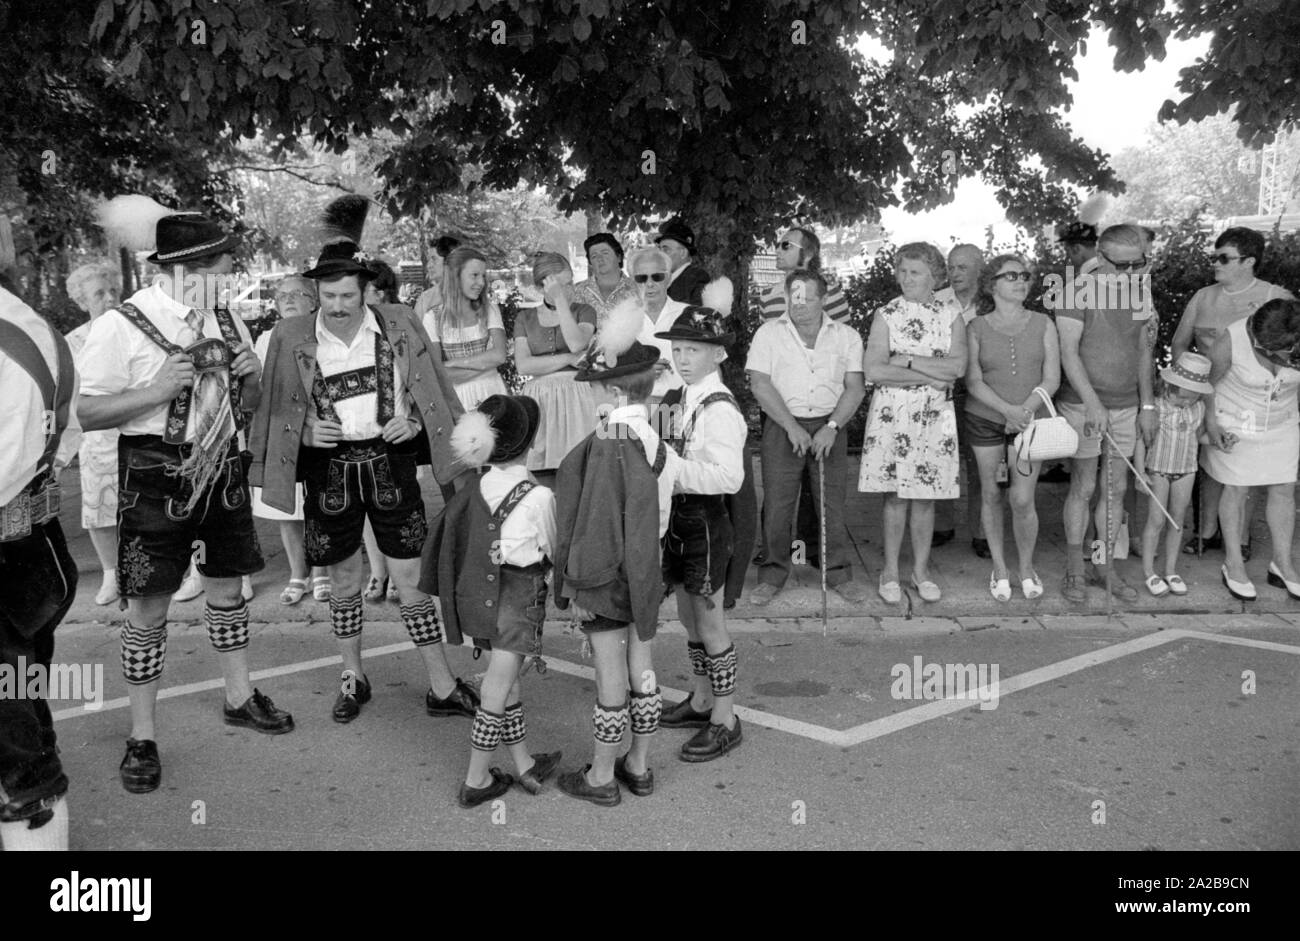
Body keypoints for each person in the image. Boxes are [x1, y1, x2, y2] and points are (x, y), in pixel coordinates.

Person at [77, 204, 295, 794]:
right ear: (190, 268)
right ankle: (142, 736)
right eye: (224, 265)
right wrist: (154, 390)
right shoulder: (121, 324)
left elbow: (245, 407)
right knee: (147, 607)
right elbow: (88, 410)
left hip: (222, 463)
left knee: (227, 589)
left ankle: (238, 695)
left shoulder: (226, 319)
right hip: (153, 472)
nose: (230, 274)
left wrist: (249, 377)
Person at [250, 239, 480, 723]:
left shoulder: (398, 321)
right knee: (343, 577)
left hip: (390, 462)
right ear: (317, 292)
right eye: (328, 296)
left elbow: (430, 384)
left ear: (365, 292)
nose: (337, 306)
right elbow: (272, 406)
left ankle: (441, 684)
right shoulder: (290, 334)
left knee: (412, 578)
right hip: (328, 467)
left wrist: (415, 421)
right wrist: (307, 430)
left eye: (347, 297)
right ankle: (353, 677)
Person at [553, 303, 675, 806]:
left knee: (609, 672)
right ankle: (639, 764)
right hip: (646, 571)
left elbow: (597, 527)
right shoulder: (653, 438)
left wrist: (577, 585)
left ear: (613, 390)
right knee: (642, 664)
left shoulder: (608, 441)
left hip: (607, 575)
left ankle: (601, 775)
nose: (590, 395)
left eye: (594, 387)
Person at [423, 394, 563, 807]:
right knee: (497, 690)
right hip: (517, 601)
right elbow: (554, 548)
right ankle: (477, 778)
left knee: (507, 685)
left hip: (479, 600)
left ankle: (523, 764)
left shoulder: (474, 489)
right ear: (529, 446)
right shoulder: (539, 497)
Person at [653, 291, 747, 761]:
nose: (683, 357)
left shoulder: (720, 408)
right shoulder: (679, 396)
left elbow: (730, 478)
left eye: (693, 350)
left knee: (711, 622)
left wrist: (670, 467)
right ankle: (701, 696)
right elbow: (665, 440)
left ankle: (725, 719)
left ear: (718, 354)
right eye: (678, 349)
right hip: (678, 518)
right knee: (687, 614)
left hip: (705, 520)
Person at [0, 283, 78, 849]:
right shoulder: (31, 326)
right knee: (21, 706)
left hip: (11, 550)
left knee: (15, 744)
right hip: (34, 547)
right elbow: (65, 437)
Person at [1169, 227, 1295, 557]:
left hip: (1255, 396)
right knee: (1213, 467)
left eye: (1224, 257)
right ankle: (1207, 532)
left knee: (1248, 473)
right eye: (1215, 256)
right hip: (1209, 392)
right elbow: (1180, 343)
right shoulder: (1203, 297)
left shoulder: (1276, 297)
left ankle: (1239, 539)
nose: (1216, 263)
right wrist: (1188, 379)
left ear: (1249, 261)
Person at [748, 270, 867, 605]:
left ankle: (839, 573)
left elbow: (854, 388)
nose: (797, 304)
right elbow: (760, 384)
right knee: (777, 505)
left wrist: (832, 427)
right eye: (792, 297)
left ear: (823, 299)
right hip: (782, 425)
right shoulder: (768, 334)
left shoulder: (846, 336)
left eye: (806, 297)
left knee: (830, 503)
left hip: (830, 425)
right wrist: (790, 426)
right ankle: (772, 575)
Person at [1055, 223, 1158, 605]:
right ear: (1100, 258)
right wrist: (1093, 403)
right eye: (1122, 266)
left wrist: (1147, 406)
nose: (1131, 273)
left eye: (1138, 264)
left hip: (1127, 404)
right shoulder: (1075, 292)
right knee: (1083, 486)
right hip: (1083, 404)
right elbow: (1069, 353)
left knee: (1115, 489)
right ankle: (1074, 569)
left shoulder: (1139, 293)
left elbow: (1144, 352)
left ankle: (1103, 566)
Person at [860, 243, 966, 603]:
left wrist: (904, 359)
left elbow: (957, 369)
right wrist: (925, 371)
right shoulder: (886, 313)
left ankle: (921, 571)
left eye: (916, 272)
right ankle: (889, 572)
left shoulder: (951, 314)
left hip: (934, 418)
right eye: (902, 271)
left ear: (934, 276)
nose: (907, 279)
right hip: (893, 416)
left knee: (926, 496)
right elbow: (874, 370)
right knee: (896, 495)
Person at [964, 254, 1059, 600]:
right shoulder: (975, 327)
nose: (1021, 281)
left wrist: (1024, 411)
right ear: (992, 285)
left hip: (1030, 421)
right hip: (986, 419)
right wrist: (1005, 410)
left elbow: (1052, 378)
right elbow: (973, 381)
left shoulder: (1043, 323)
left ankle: (1027, 567)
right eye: (1011, 276)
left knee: (1022, 498)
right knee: (990, 493)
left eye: (1025, 275)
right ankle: (1000, 569)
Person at [1202, 299, 1300, 601]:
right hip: (1235, 423)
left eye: (1275, 350)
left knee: (1284, 487)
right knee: (1236, 489)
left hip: (1282, 423)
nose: (1264, 351)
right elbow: (1206, 384)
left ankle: (1282, 564)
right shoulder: (1231, 339)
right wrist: (1211, 425)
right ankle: (1233, 563)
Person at [250, 275, 332, 605]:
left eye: (298, 294)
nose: (288, 299)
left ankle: (322, 571)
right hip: (279, 429)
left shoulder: (323, 332)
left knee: (319, 504)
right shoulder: (267, 338)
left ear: (313, 301)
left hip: (315, 427)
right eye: (282, 295)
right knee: (286, 507)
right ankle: (297, 572)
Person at [63, 261, 122, 605]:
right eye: (100, 294)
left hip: (136, 427)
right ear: (83, 302)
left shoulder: (134, 329)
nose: (110, 298)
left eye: (113, 290)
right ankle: (112, 575)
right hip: (97, 434)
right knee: (99, 507)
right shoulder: (74, 342)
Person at [513, 252, 598, 486]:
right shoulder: (525, 318)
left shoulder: (583, 311)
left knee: (579, 469)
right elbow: (524, 365)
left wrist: (560, 301)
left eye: (570, 282)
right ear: (544, 287)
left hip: (577, 398)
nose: (569, 289)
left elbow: (577, 342)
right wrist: (570, 358)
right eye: (562, 285)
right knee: (541, 474)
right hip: (539, 400)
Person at [1139, 352, 1211, 597]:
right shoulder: (1157, 405)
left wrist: (1218, 440)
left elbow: (1199, 435)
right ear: (1169, 387)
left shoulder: (1198, 408)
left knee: (1177, 521)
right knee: (1157, 520)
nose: (1186, 404)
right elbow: (1141, 439)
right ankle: (1149, 571)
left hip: (1186, 470)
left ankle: (1170, 570)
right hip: (1159, 468)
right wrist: (1140, 471)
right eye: (1183, 399)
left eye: (1193, 399)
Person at [934, 243, 987, 555]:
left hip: (983, 395)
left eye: (962, 267)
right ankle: (942, 525)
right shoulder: (936, 302)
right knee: (943, 458)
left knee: (982, 465)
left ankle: (981, 532)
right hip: (946, 393)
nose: (954, 273)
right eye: (951, 267)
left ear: (980, 269)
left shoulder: (993, 303)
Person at [1040, 221, 1099, 484]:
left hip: (1081, 392)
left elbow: (1068, 349)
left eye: (1068, 251)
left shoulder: (1075, 287)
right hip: (1117, 391)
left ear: (1075, 249)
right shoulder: (1121, 283)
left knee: (1082, 484)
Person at [360, 259, 405, 603]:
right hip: (362, 432)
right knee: (366, 510)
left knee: (396, 508)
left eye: (383, 287)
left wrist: (414, 420)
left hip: (396, 430)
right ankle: (378, 572)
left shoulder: (400, 322)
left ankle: (398, 576)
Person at [423, 246, 508, 412]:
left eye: (483, 276)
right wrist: (486, 366)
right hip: (457, 401)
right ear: (455, 276)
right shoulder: (433, 318)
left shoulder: (489, 310)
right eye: (474, 276)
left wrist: (453, 363)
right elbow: (438, 373)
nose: (482, 283)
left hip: (492, 394)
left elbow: (500, 355)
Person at [628, 245, 688, 401]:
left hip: (684, 403)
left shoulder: (690, 315)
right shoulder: (620, 321)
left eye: (657, 277)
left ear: (668, 278)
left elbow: (711, 369)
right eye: (641, 278)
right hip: (636, 405)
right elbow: (607, 373)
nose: (649, 284)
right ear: (633, 282)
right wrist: (641, 374)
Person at [759, 227, 850, 322]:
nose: (777, 250)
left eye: (786, 245)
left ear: (808, 254)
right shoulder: (767, 296)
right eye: (778, 245)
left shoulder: (829, 294)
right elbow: (765, 335)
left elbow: (845, 335)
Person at [573, 233, 637, 325]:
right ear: (590, 264)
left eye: (605, 253)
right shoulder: (577, 291)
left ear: (619, 257)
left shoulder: (637, 289)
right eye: (594, 256)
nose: (600, 258)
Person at [655, 217, 711, 305]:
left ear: (683, 253)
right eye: (660, 250)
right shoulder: (660, 280)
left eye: (666, 250)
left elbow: (699, 316)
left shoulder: (697, 277)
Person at [414, 234, 462, 320]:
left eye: (434, 259)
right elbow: (415, 331)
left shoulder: (470, 295)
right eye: (429, 260)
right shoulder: (425, 298)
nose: (429, 266)